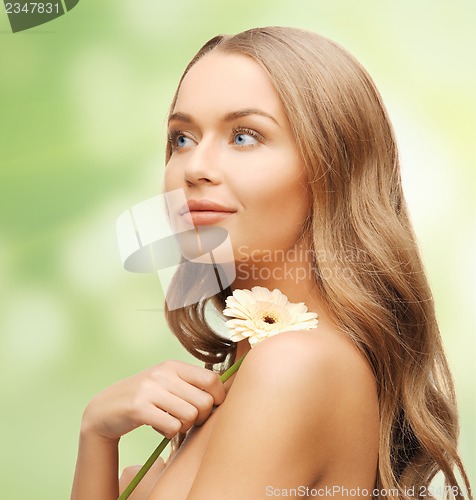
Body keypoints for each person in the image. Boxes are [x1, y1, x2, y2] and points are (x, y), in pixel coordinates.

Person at [71, 27, 472, 499]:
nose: (194, 166)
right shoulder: (256, 367)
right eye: (182, 138)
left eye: (244, 136)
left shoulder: (292, 365)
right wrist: (97, 436)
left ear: (332, 169)